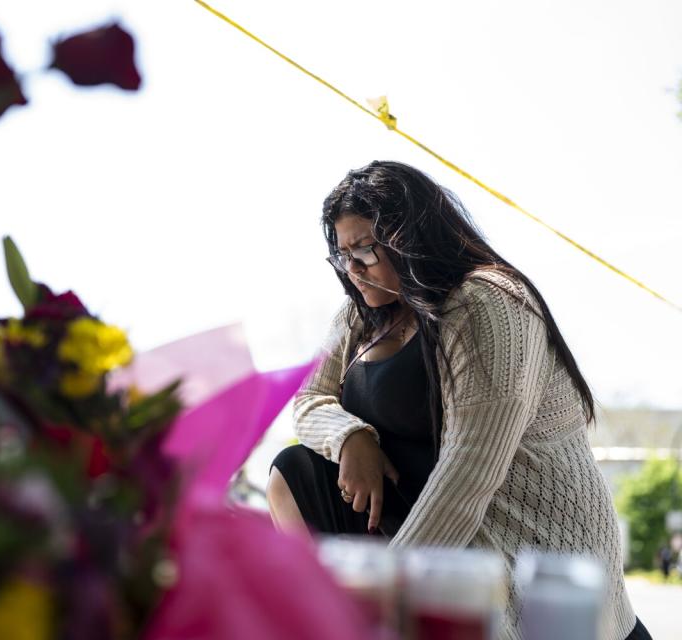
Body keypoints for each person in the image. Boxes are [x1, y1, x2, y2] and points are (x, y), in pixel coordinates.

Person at [267, 161, 650, 640]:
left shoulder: (489, 304)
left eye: (365, 249)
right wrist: (350, 438)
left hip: (529, 561)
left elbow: (467, 476)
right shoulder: (359, 315)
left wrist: (380, 599)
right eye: (342, 255)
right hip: (429, 543)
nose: (354, 269)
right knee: (294, 468)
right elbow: (309, 400)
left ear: (412, 236)